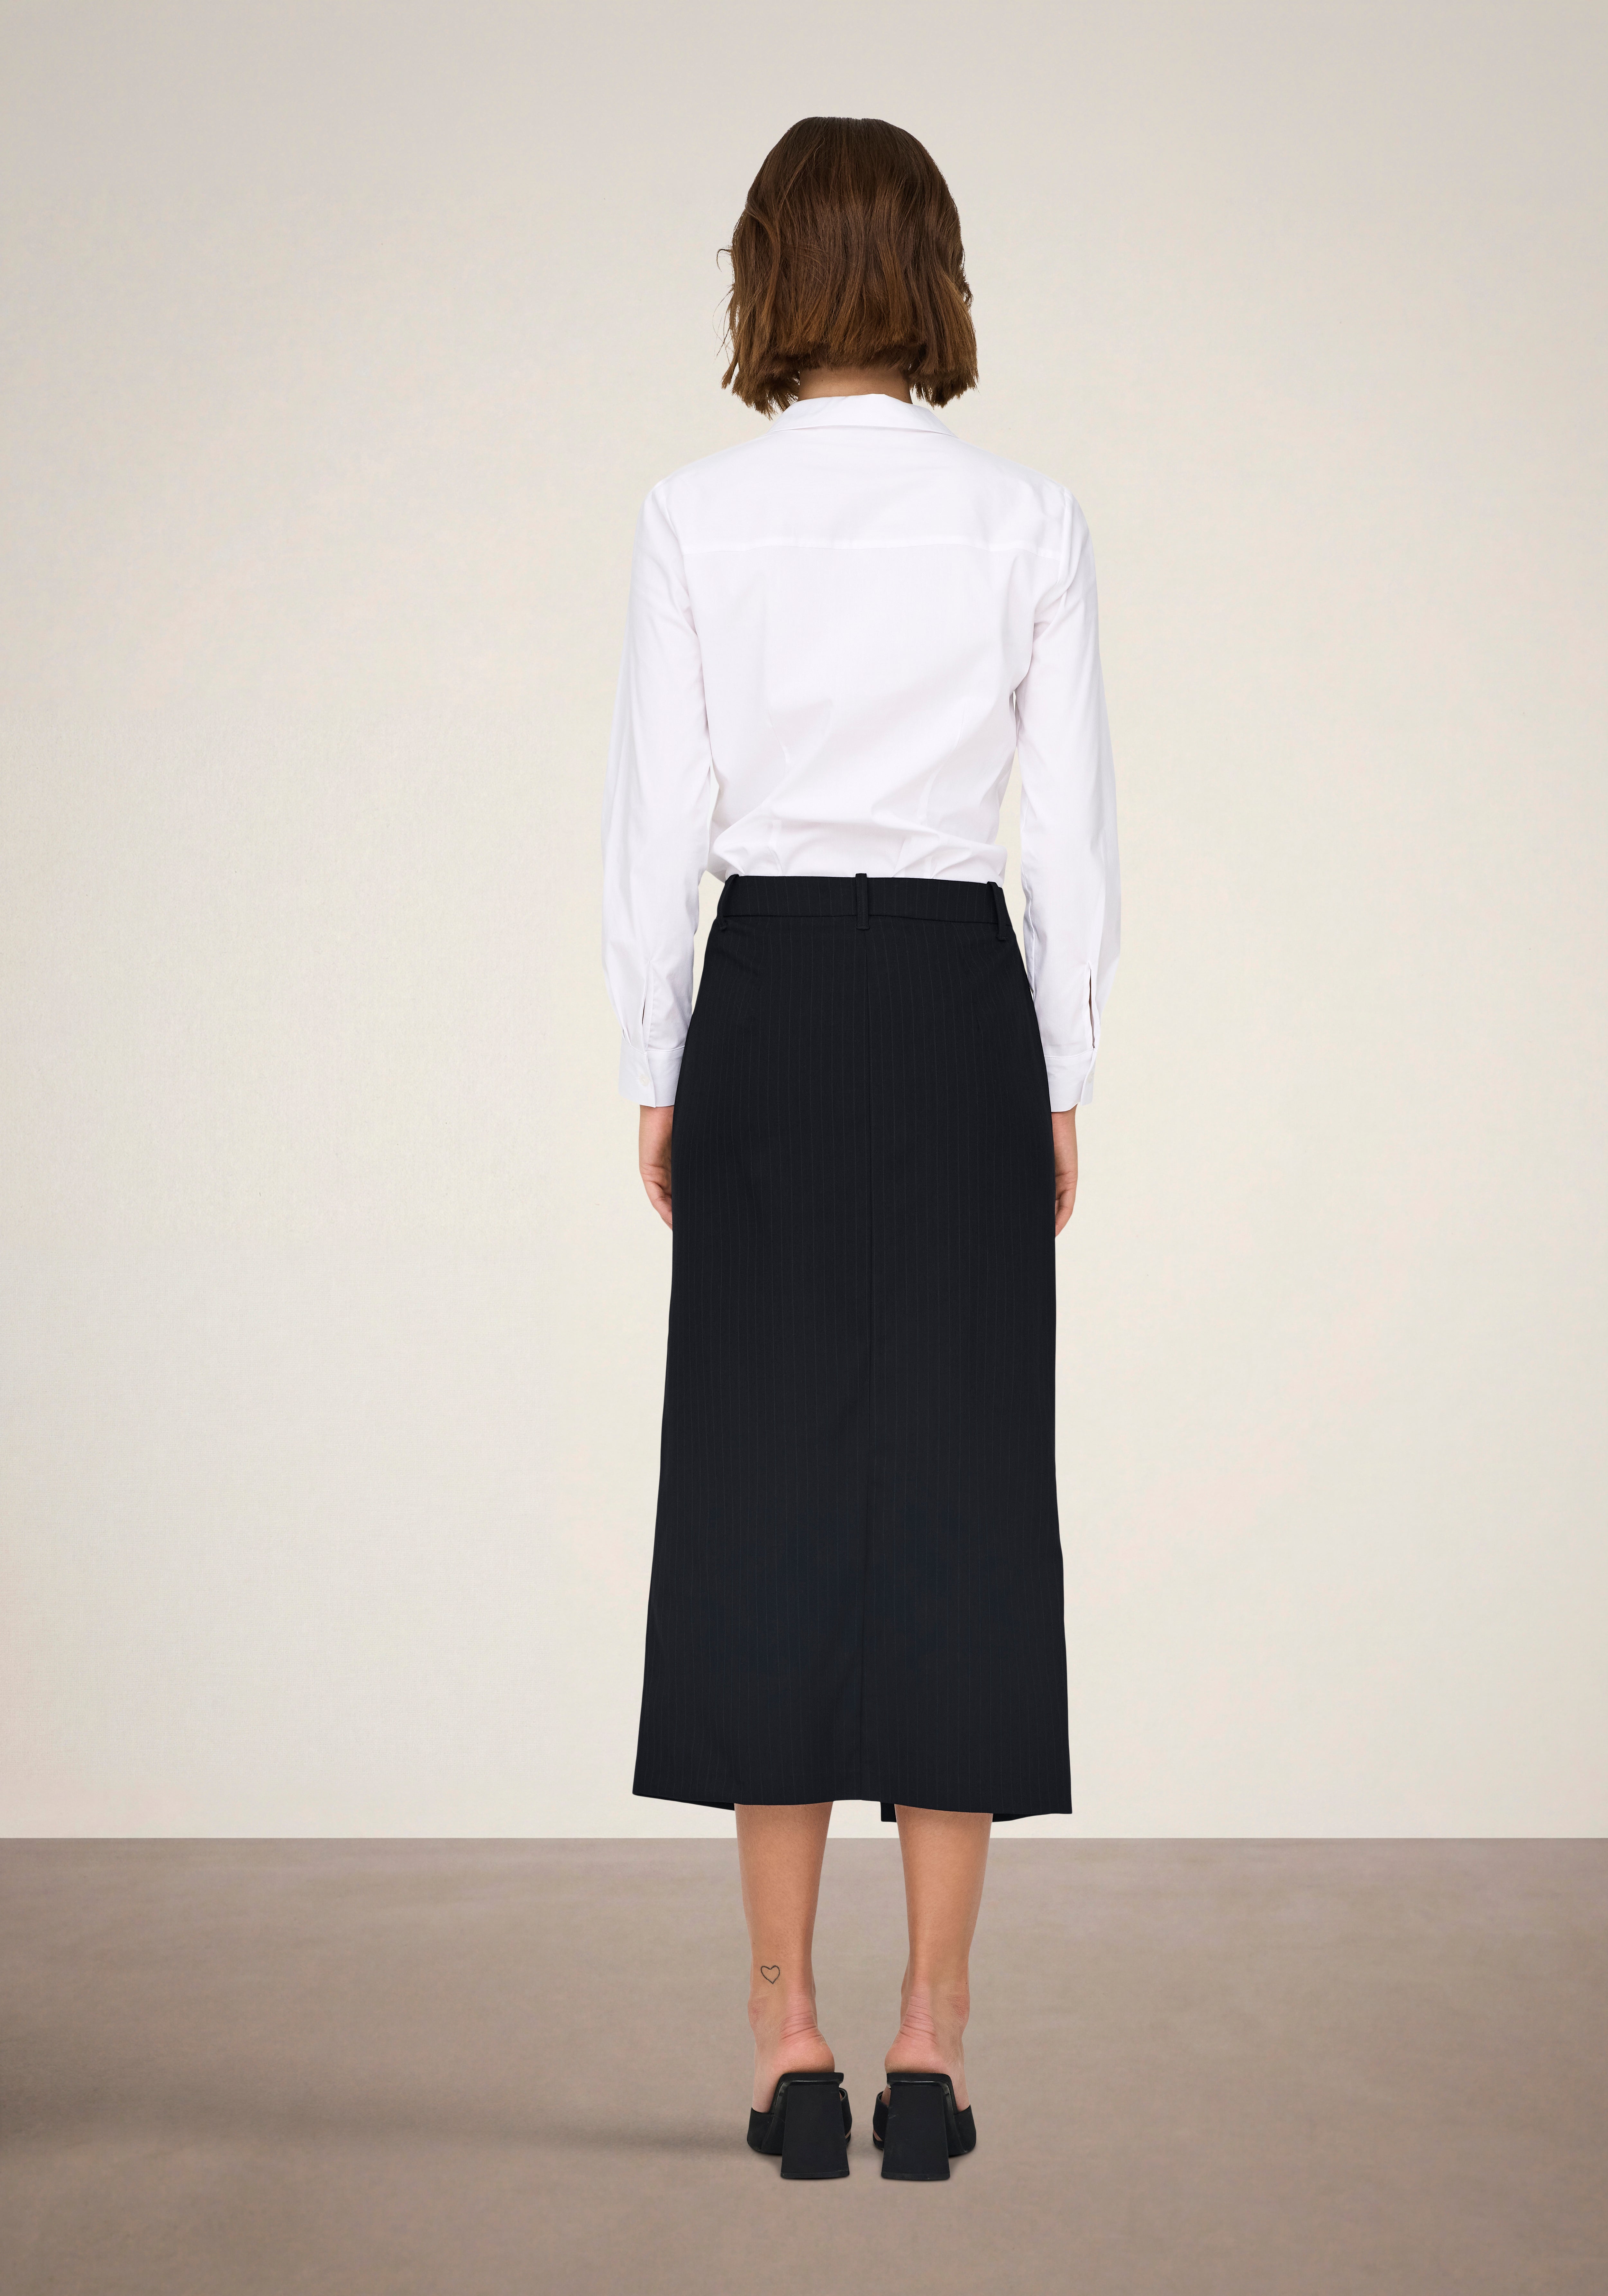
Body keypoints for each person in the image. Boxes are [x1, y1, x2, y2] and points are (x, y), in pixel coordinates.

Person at [600, 114, 1120, 2182]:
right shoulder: (1026, 518)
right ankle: (933, 2043)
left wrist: (659, 1053)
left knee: (763, 1494)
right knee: (967, 1492)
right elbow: (1069, 831)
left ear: (766, 275)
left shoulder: (693, 516)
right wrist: (1063, 1064)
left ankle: (784, 2036)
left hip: (771, 992)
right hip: (960, 999)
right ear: (936, 276)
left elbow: (659, 818)